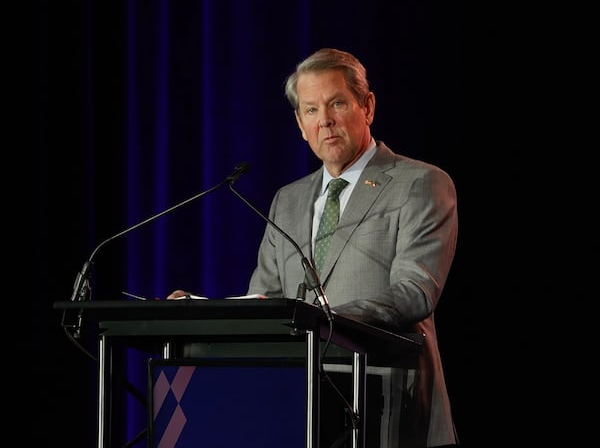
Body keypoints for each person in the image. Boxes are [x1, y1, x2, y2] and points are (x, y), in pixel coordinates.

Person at [170, 47, 459, 447]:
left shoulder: (420, 184)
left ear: (367, 106)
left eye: (337, 103)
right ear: (299, 124)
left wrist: (318, 321)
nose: (324, 120)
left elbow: (414, 292)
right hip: (297, 408)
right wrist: (200, 311)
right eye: (310, 110)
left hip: (388, 405)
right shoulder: (287, 200)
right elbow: (267, 299)